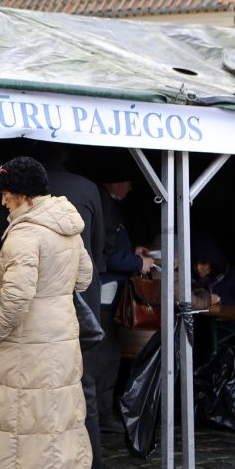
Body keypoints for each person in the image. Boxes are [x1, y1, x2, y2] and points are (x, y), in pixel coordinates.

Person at [0, 156, 109, 469]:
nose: (2, 202)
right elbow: (84, 277)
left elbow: (15, 297)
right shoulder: (66, 225)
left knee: (10, 418)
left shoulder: (26, 233)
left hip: (25, 341)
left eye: (6, 194)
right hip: (59, 336)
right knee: (51, 417)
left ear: (22, 194)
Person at [28, 146, 107, 469]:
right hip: (81, 307)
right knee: (80, 392)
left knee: (38, 394)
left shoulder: (27, 200)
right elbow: (97, 252)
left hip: (41, 312)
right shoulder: (87, 188)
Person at [95, 178, 155, 433]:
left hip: (108, 292)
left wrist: (132, 251)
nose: (131, 188)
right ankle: (100, 415)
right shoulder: (105, 205)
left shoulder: (104, 204)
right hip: (106, 292)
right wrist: (137, 263)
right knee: (105, 356)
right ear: (115, 182)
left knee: (108, 355)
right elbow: (106, 254)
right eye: (128, 182)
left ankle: (101, 413)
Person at [192, 236, 235, 307]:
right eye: (195, 263)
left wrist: (220, 299)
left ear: (213, 262)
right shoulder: (190, 278)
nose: (198, 268)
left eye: (203, 263)